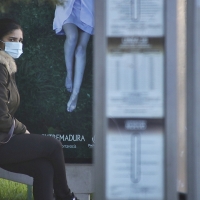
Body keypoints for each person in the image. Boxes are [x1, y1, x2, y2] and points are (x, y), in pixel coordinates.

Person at [0, 18, 79, 200]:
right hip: (2, 143)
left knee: (43, 168)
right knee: (53, 146)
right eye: (12, 40)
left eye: (20, 41)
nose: (17, 44)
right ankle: (65, 196)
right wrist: (22, 129)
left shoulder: (7, 67)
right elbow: (1, 116)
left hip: (4, 139)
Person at [53, 0, 94, 112]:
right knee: (72, 37)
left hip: (89, 8)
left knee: (80, 49)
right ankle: (69, 74)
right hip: (68, 6)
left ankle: (75, 93)